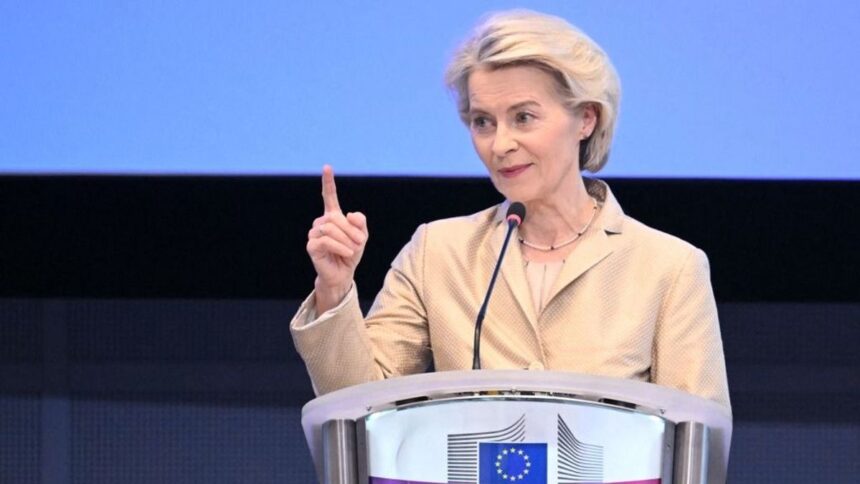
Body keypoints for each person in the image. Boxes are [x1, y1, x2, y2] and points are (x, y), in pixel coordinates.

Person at [291, 9, 730, 411]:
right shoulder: (437, 253)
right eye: (483, 122)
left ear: (586, 119)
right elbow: (358, 406)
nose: (500, 144)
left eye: (523, 117)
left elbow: (697, 440)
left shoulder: (669, 268)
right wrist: (335, 289)